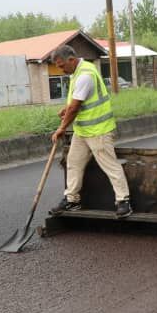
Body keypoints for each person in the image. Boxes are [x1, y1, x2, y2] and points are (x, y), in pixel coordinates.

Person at [48, 45, 132, 218]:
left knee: (110, 165)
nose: (61, 69)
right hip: (83, 130)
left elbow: (76, 107)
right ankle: (72, 200)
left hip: (98, 130)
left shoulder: (85, 74)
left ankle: (124, 201)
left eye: (62, 65)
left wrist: (61, 128)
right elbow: (77, 101)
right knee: (74, 162)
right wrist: (66, 108)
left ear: (71, 60)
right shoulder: (76, 72)